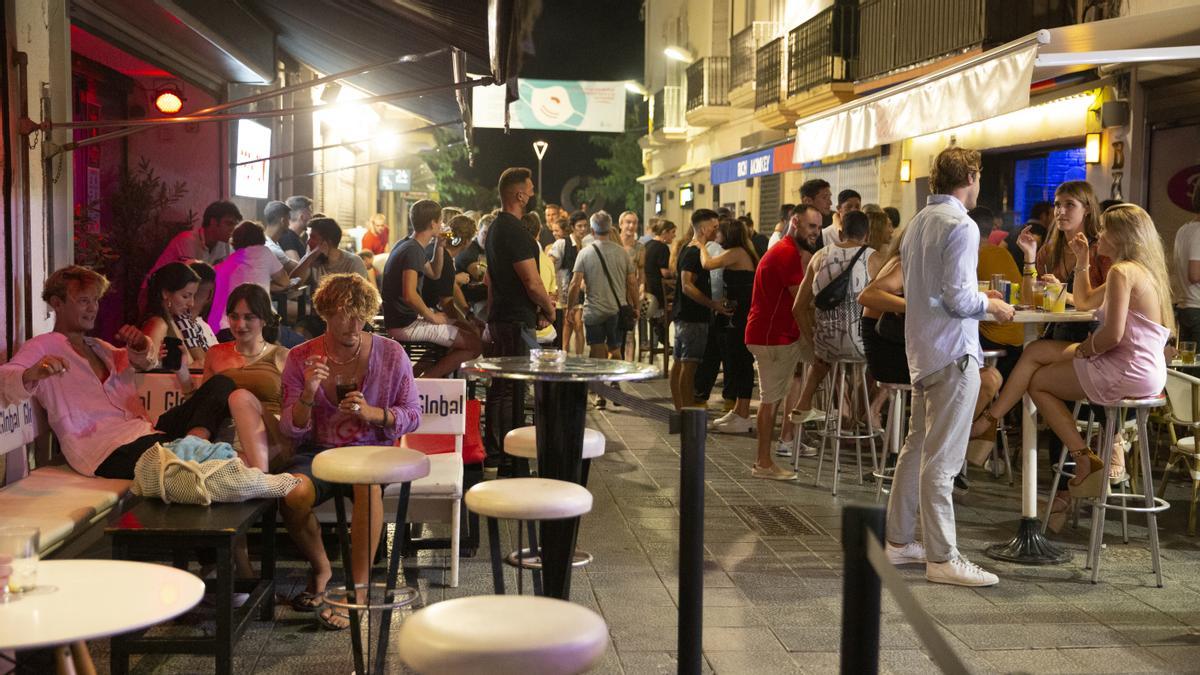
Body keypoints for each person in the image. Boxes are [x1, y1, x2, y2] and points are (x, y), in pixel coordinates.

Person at [971, 204, 1172, 531]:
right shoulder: (1137, 270)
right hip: (1145, 369)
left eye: (1105, 230)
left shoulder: (1123, 272)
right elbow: (1084, 302)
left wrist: (1083, 350)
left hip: (1126, 366)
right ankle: (991, 424)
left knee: (1038, 383)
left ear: (1121, 236)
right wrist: (1083, 262)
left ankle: (1079, 456)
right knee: (1035, 351)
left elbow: (1112, 335)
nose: (1099, 234)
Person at [884, 146, 1014, 588]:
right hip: (953, 351)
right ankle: (942, 558)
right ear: (972, 176)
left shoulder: (919, 221)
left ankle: (900, 541)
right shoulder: (961, 224)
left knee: (917, 450)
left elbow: (933, 290)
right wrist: (991, 305)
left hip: (922, 350)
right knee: (942, 460)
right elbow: (959, 299)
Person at [0, 265, 252, 479]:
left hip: (146, 432)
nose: (92, 308)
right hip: (106, 450)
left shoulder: (100, 347)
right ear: (57, 303)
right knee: (197, 463)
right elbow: (7, 376)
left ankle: (193, 446)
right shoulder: (43, 346)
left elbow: (144, 361)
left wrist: (142, 345)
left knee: (222, 384)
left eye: (95, 300)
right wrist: (32, 373)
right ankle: (198, 455)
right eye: (84, 301)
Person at [278, 273, 422, 629]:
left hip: (371, 452)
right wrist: (309, 393)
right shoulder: (301, 358)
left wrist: (374, 414)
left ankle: (357, 592)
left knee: (366, 484)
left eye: (361, 314)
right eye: (344, 314)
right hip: (320, 453)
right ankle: (322, 567)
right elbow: (290, 427)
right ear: (326, 312)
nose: (354, 324)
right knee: (292, 493)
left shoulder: (390, 353)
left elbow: (414, 414)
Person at [483, 167, 556, 474]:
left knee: (503, 386)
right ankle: (507, 452)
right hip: (515, 321)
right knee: (511, 387)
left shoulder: (496, 228)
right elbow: (531, 281)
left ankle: (500, 450)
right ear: (519, 194)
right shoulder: (514, 231)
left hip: (504, 317)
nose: (532, 194)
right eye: (529, 189)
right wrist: (550, 310)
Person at [745, 205, 823, 479]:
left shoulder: (788, 250)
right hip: (772, 337)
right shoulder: (787, 253)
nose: (816, 233)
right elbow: (801, 301)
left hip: (775, 334)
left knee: (818, 360)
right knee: (771, 401)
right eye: (812, 227)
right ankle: (763, 463)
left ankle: (803, 407)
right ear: (795, 222)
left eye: (818, 227)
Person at [192, 284, 291, 471]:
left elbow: (292, 413)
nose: (240, 325)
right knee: (222, 466)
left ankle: (258, 475)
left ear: (263, 319)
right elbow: (205, 405)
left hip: (269, 436)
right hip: (225, 436)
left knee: (240, 398)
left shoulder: (282, 356)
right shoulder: (215, 353)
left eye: (249, 317)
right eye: (234, 316)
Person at [384, 200, 481, 378]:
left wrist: (439, 245)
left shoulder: (408, 244)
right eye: (441, 221)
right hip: (405, 324)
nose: (443, 225)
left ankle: (412, 378)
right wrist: (433, 318)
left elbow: (435, 273)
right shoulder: (412, 251)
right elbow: (409, 295)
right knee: (474, 344)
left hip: (402, 320)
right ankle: (421, 385)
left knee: (455, 333)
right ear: (433, 223)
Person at [700, 217, 758, 433]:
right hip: (738, 313)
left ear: (728, 234)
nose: (716, 235)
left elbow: (708, 264)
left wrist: (700, 245)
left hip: (741, 316)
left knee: (741, 362)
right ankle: (737, 410)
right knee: (735, 361)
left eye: (719, 231)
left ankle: (743, 414)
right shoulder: (742, 251)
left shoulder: (737, 252)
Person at [669, 209, 731, 410]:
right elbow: (687, 285)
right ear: (704, 229)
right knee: (689, 366)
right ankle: (686, 412)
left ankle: (681, 410)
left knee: (680, 364)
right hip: (692, 317)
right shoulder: (694, 252)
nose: (717, 230)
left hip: (686, 316)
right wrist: (712, 304)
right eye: (714, 227)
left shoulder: (691, 248)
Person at [796, 211, 873, 367]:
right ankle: (868, 392)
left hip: (824, 348)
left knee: (830, 366)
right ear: (868, 235)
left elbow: (797, 308)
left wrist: (813, 345)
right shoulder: (874, 258)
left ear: (840, 233)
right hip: (861, 347)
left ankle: (838, 391)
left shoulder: (818, 256)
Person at [567, 210, 637, 363]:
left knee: (597, 350)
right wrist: (636, 306)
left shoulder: (584, 253)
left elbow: (574, 283)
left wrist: (570, 307)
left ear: (592, 231)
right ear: (610, 227)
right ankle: (614, 382)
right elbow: (632, 283)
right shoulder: (622, 253)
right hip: (616, 310)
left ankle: (597, 385)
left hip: (594, 310)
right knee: (615, 349)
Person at [208, 221, 295, 335]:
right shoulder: (264, 252)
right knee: (299, 344)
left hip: (218, 329)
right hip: (255, 328)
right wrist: (264, 287)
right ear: (260, 237)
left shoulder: (227, 263)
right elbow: (285, 282)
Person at [971, 206, 1023, 381]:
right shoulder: (1004, 253)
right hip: (1017, 338)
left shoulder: (972, 255)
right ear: (991, 229)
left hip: (991, 338)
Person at [143, 262, 216, 370]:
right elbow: (146, 370)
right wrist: (193, 367)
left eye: (193, 296)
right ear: (166, 293)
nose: (191, 303)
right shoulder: (158, 324)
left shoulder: (172, 322)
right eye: (186, 296)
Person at [148, 200, 240, 277]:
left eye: (235, 225)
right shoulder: (187, 241)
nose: (233, 229)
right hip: (156, 291)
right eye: (229, 224)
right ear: (213, 222)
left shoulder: (225, 245)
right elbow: (189, 279)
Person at [549, 210, 591, 355]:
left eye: (585, 226)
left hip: (582, 290)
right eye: (579, 226)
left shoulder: (588, 245)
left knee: (578, 323)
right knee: (568, 323)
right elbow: (551, 264)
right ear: (572, 227)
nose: (583, 229)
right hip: (565, 289)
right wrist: (553, 286)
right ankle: (565, 353)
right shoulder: (563, 243)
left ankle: (578, 356)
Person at [643, 219, 676, 351]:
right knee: (678, 309)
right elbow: (665, 273)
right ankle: (663, 331)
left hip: (649, 290)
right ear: (664, 232)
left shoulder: (647, 245)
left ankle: (660, 330)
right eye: (672, 232)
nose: (674, 236)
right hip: (660, 293)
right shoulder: (662, 248)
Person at [307, 216, 369, 286]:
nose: (308, 242)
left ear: (327, 241)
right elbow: (295, 282)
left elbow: (359, 294)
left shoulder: (354, 262)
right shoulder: (313, 261)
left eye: (313, 237)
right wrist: (310, 256)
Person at [1173, 187, 1200, 342]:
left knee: (1188, 364)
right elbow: (1194, 274)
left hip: (1185, 308)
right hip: (1197, 307)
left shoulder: (1184, 229)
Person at [265, 200, 304, 265]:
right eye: (288, 219)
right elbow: (299, 272)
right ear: (282, 221)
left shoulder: (272, 242)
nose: (289, 224)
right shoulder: (272, 248)